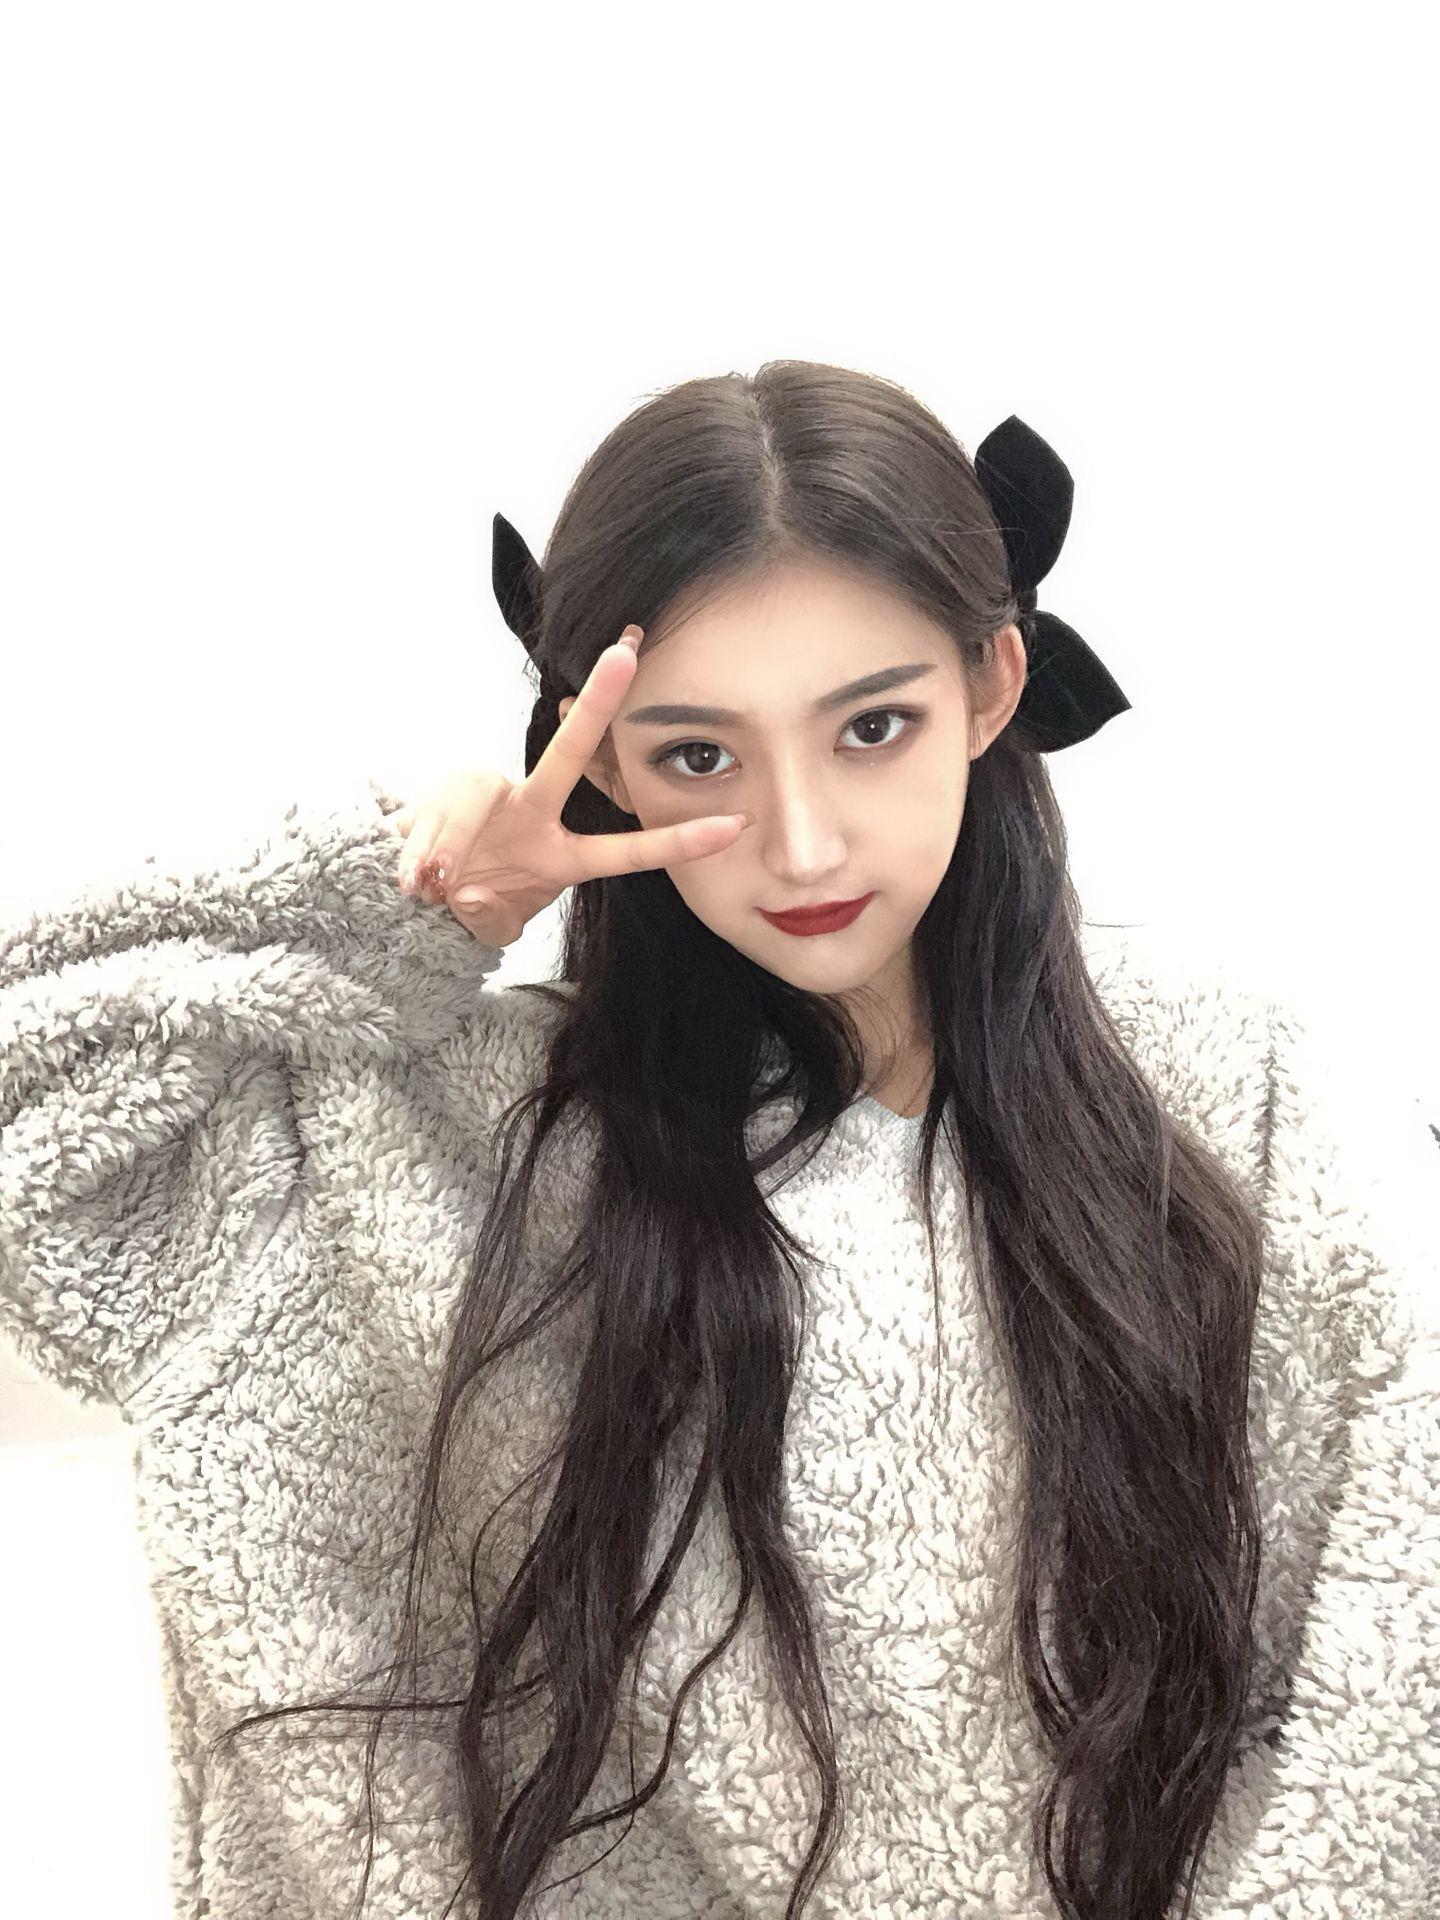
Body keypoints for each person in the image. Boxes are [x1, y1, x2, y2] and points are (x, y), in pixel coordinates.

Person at [1, 361, 1435, 1920]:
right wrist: (404, 908)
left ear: (992, 687)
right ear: (606, 760)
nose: (802, 842)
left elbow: (1393, 1650)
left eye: (871, 726)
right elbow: (39, 1142)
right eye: (700, 754)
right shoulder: (472, 1131)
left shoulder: (1225, 1082)